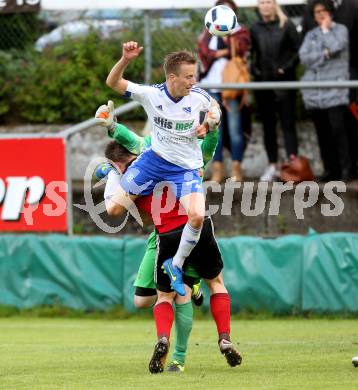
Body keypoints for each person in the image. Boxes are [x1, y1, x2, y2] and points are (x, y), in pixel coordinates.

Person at [95, 102, 219, 372]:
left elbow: (206, 149)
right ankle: (190, 294)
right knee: (141, 300)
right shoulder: (150, 154)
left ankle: (178, 358)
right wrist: (113, 130)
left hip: (187, 228)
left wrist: (212, 128)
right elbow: (134, 141)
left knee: (178, 294)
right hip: (160, 233)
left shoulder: (169, 157)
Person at [101, 141, 242, 374]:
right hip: (199, 226)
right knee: (216, 283)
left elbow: (118, 211)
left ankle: (166, 341)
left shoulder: (136, 177)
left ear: (118, 165)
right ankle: (224, 338)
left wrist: (113, 178)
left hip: (168, 234)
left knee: (165, 296)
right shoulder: (169, 154)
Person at [105, 42, 221, 296]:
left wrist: (211, 121)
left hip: (185, 169)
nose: (194, 80)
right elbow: (113, 83)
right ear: (172, 77)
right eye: (189, 76)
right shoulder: (152, 95)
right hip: (153, 162)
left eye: (195, 75)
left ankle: (175, 264)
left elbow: (215, 109)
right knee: (113, 209)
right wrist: (125, 59)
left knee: (198, 216)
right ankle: (114, 173)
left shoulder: (198, 96)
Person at [302, 0, 358, 179]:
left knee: (339, 131)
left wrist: (326, 31)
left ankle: (347, 169)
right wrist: (324, 55)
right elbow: (305, 58)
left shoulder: (340, 30)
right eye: (317, 12)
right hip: (316, 93)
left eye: (324, 11)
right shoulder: (311, 34)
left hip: (335, 90)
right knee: (323, 134)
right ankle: (330, 170)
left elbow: (337, 46)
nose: (320, 15)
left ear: (331, 12)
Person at [198, 0, 251, 182]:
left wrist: (226, 41)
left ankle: (237, 167)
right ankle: (217, 168)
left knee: (235, 129)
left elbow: (241, 49)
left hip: (231, 86)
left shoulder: (240, 31)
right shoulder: (207, 32)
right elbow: (203, 53)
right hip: (211, 86)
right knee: (214, 130)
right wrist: (222, 52)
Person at [250, 0, 300, 181]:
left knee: (288, 124)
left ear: (274, 5)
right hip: (263, 85)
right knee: (268, 126)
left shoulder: (286, 25)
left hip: (285, 83)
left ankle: (293, 166)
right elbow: (251, 53)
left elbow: (298, 51)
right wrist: (255, 71)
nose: (265, 5)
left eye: (269, 1)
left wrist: (285, 68)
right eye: (262, 2)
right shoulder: (254, 28)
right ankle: (272, 166)